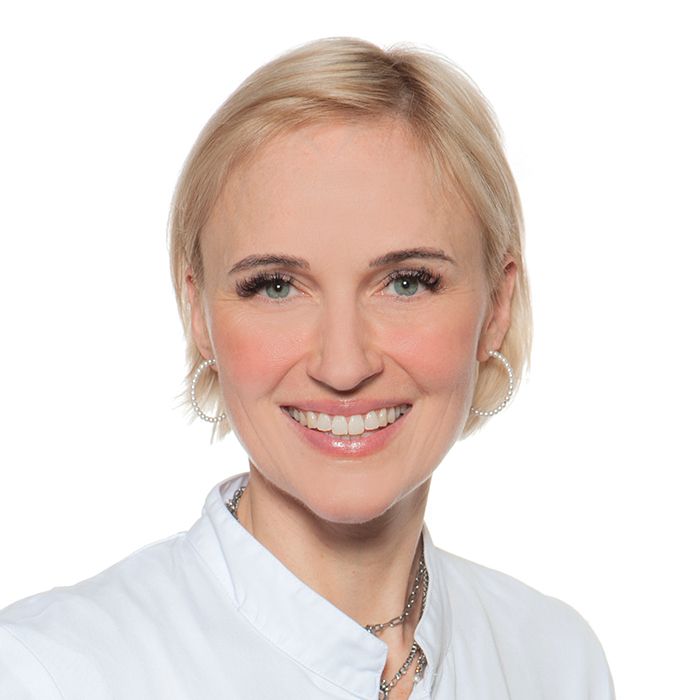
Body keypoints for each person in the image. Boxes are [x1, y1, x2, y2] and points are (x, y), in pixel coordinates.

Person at [0, 37, 615, 699]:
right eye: (276, 286)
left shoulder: (556, 661)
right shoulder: (48, 674)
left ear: (497, 306)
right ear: (198, 313)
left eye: (406, 282)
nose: (343, 366)